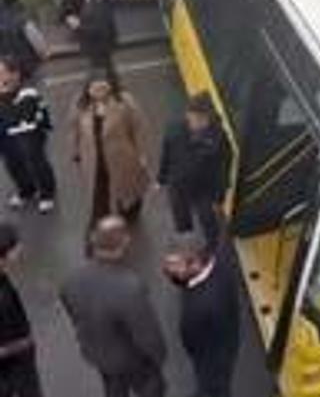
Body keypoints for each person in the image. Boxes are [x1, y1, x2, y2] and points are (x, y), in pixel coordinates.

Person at [60, 216, 179, 397]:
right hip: (131, 358)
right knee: (150, 392)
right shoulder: (129, 287)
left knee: (114, 389)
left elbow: (72, 312)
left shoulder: (71, 279)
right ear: (124, 243)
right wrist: (159, 357)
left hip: (96, 352)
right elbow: (146, 335)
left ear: (94, 241)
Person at [0, 221, 77, 397]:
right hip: (14, 356)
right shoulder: (3, 298)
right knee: (27, 387)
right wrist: (26, 342)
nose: (20, 249)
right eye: (16, 246)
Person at [163, 244, 240, 397]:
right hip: (222, 341)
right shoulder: (218, 265)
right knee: (208, 383)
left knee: (217, 396)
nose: (168, 270)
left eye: (174, 266)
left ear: (195, 264)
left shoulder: (201, 306)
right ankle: (203, 392)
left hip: (213, 357)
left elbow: (191, 341)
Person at [71, 72, 150, 229]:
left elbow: (138, 128)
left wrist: (142, 153)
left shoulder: (124, 101)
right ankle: (103, 219)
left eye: (103, 87)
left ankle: (130, 212)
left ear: (110, 86)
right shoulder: (80, 104)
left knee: (127, 188)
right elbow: (74, 130)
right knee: (99, 189)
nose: (99, 91)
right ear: (88, 89)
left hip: (121, 156)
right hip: (94, 157)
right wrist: (76, 152)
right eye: (95, 87)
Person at [158, 94, 232, 253]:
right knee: (180, 213)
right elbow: (166, 154)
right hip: (178, 183)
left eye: (201, 119)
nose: (196, 122)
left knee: (208, 219)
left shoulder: (219, 138)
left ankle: (213, 247)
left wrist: (219, 197)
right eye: (193, 117)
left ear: (209, 117)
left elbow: (223, 169)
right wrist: (161, 178)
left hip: (204, 189)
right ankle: (186, 238)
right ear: (187, 114)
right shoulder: (174, 129)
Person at [0, 55, 56, 212]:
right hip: (6, 136)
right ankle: (26, 190)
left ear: (15, 74)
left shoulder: (28, 92)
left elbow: (21, 116)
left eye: (3, 72)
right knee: (13, 164)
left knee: (36, 163)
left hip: (28, 135)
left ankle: (46, 194)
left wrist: (4, 96)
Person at [65, 0, 117, 73]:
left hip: (100, 49)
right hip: (96, 51)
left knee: (100, 83)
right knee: (107, 81)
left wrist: (77, 26)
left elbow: (100, 28)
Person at [0, 0, 48, 79]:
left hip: (7, 69)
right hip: (28, 68)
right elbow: (38, 43)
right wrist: (43, 55)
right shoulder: (22, 17)